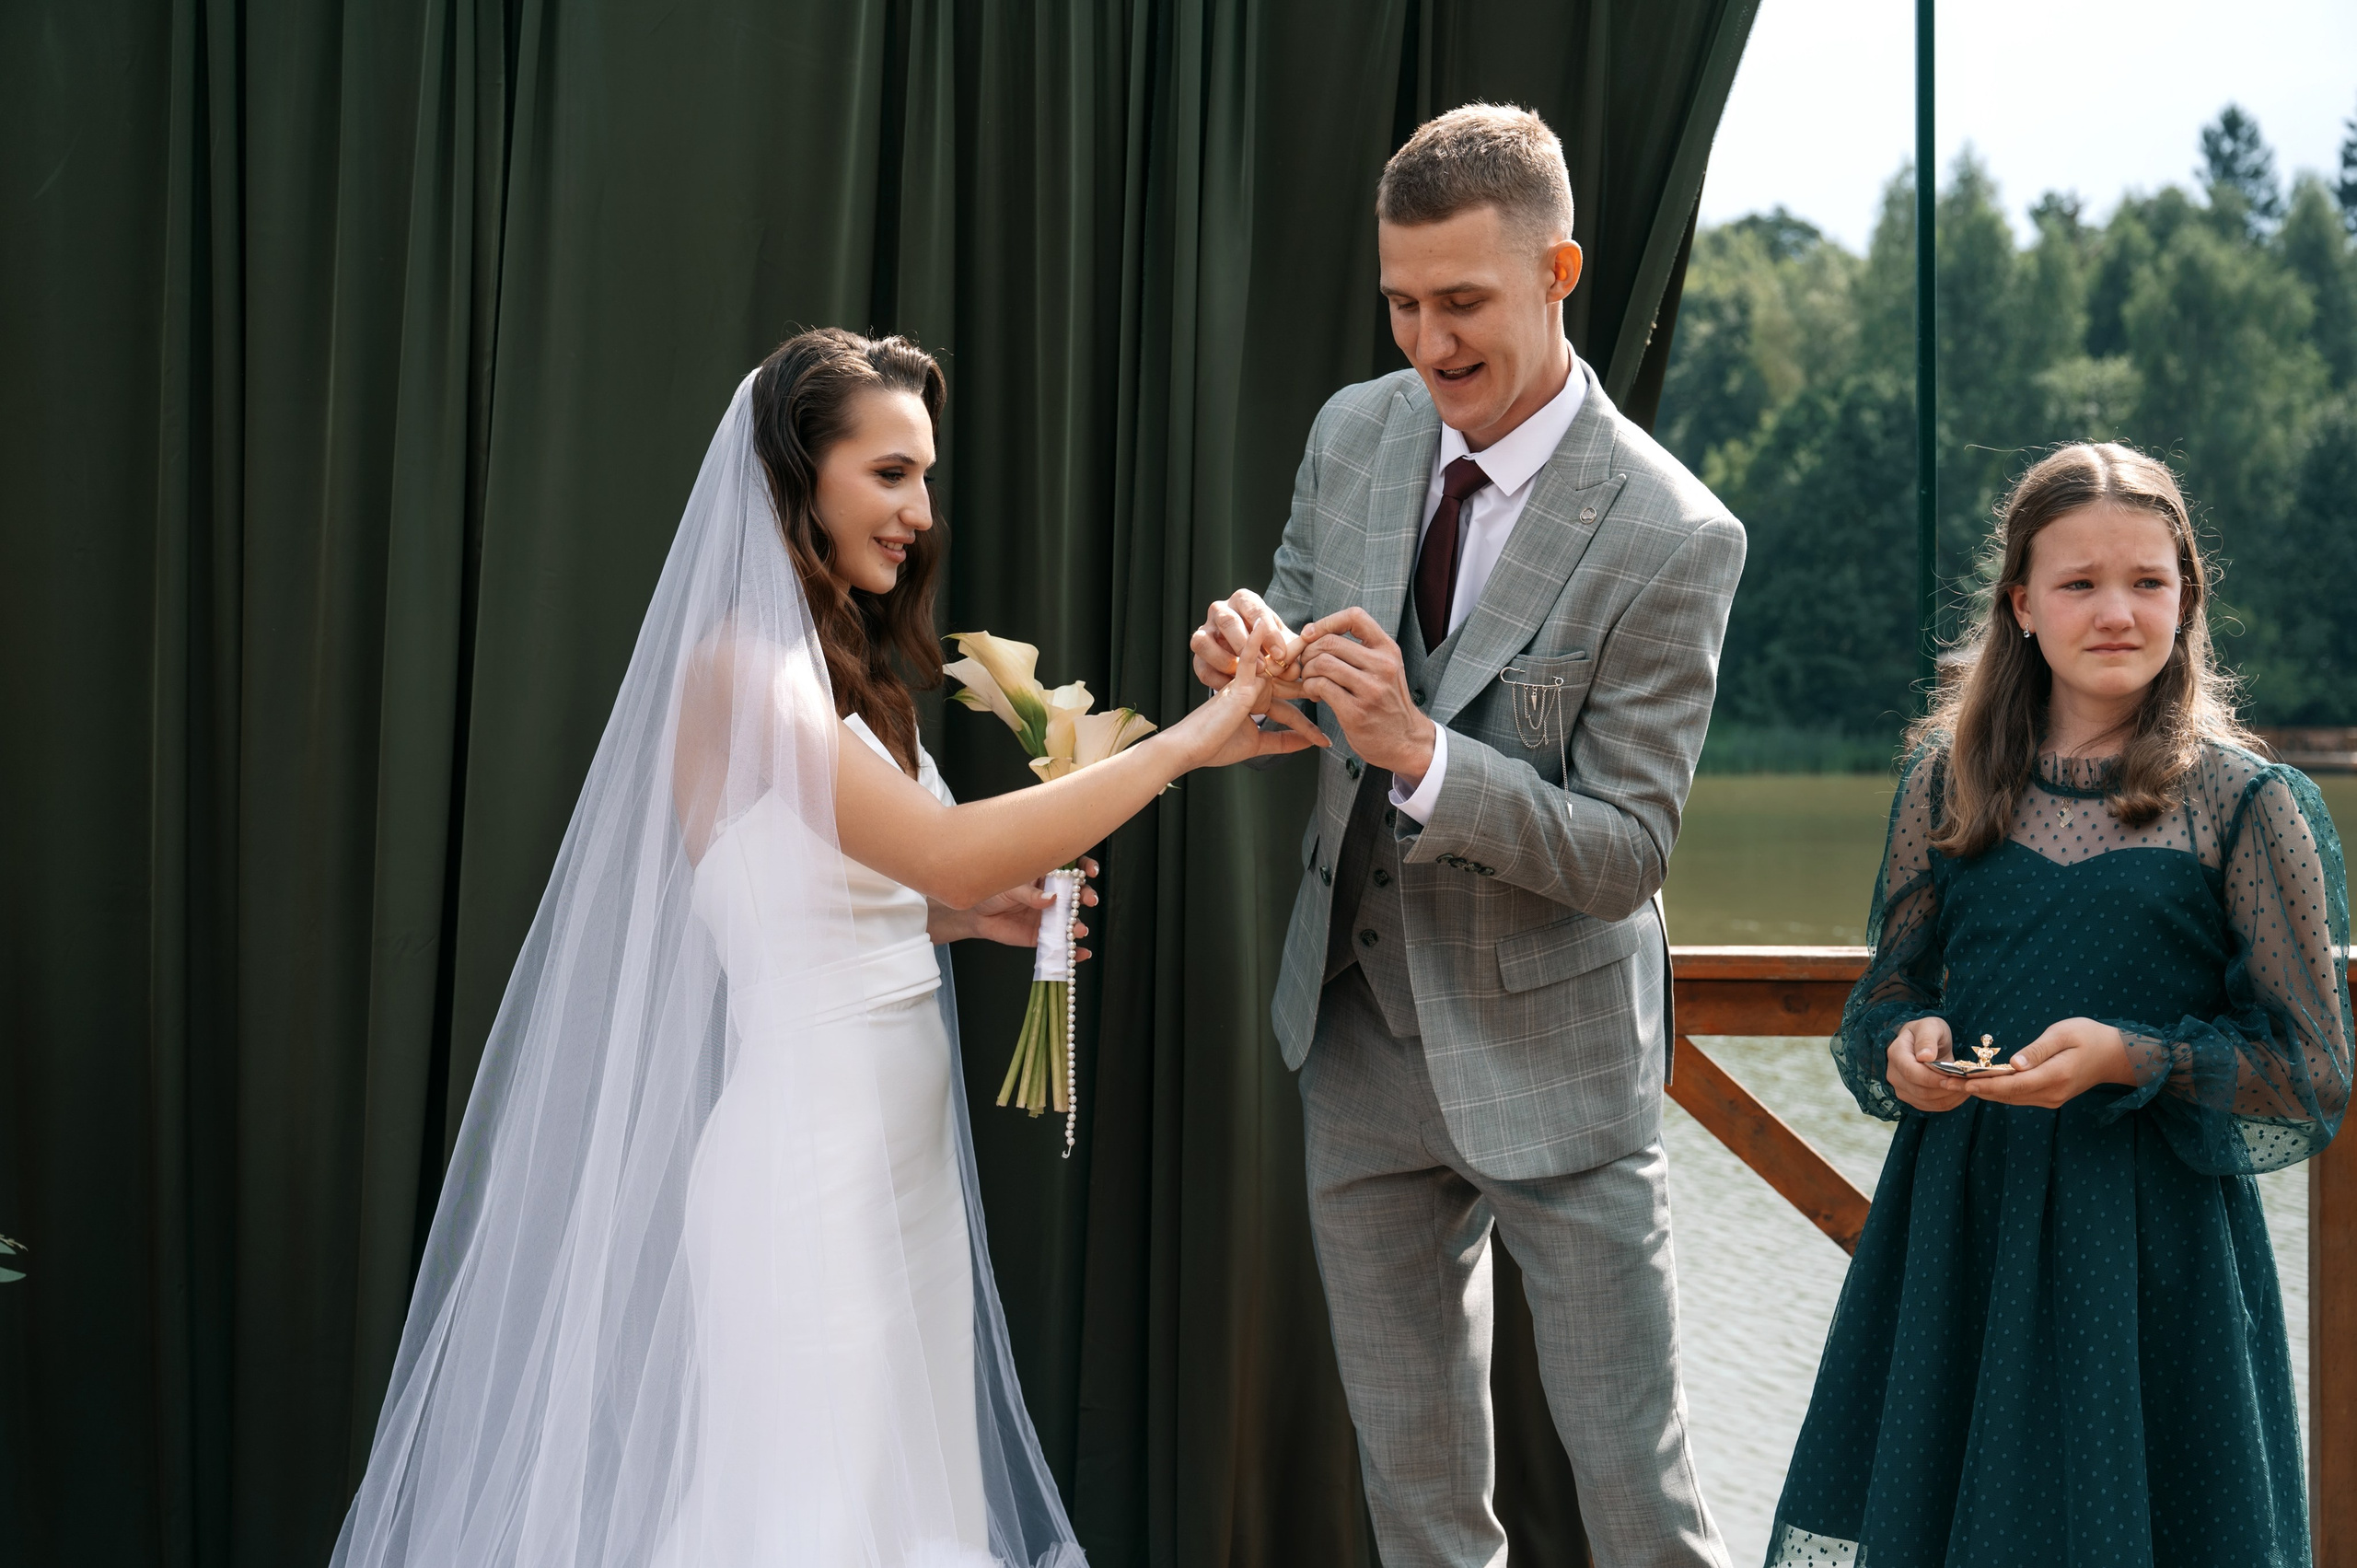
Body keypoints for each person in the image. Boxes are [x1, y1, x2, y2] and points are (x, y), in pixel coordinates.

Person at [331, 329, 1317, 1568]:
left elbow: (880, 888)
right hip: (804, 1177)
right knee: (815, 1524)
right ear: (801, 477)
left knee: (905, 1516)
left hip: (898, 1173)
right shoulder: (744, 672)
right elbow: (941, 851)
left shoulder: (855, 681)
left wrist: (971, 916)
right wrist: (1178, 744)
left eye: (925, 477)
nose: (921, 510)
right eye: (890, 473)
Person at [1193, 104, 1744, 1567]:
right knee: (1419, 1502)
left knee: (1638, 1497)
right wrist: (1258, 652)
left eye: (1462, 303)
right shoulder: (1355, 431)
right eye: (1401, 301)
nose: (1427, 342)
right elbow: (1304, 618)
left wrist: (1423, 751)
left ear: (1559, 269)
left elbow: (1625, 849)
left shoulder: (1675, 533)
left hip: (1559, 1069)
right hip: (1357, 1033)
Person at [1766, 442, 2351, 1567]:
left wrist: (2129, 1056)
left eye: (2147, 580)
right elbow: (1887, 991)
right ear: (2020, 603)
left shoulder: (2243, 802)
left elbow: (2309, 1066)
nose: (2117, 611)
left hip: (2153, 1244)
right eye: (2079, 583)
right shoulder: (1948, 779)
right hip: (1962, 1222)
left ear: (2187, 596)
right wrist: (1907, 1043)